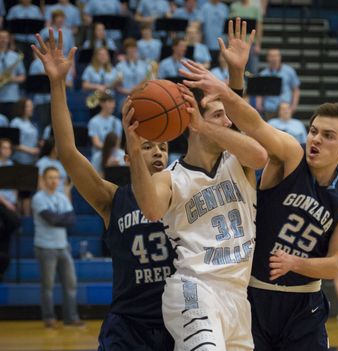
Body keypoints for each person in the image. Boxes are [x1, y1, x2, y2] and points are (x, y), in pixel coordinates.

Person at [180, 22, 338, 349]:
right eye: (313, 131)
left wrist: (297, 263)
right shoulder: (291, 156)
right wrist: (232, 81)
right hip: (255, 296)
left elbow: (335, 265)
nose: (316, 140)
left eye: (328, 136)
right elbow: (252, 124)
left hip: (305, 305)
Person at [123, 18, 268, 350]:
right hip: (194, 289)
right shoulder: (170, 177)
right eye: (217, 115)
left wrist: (234, 77)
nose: (228, 122)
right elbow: (150, 207)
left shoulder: (238, 163)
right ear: (191, 120)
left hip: (238, 298)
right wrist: (133, 145)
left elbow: (260, 154)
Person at [32, 27, 176, 350]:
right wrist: (57, 84)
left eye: (163, 148)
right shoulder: (113, 198)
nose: (157, 152)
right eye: (147, 145)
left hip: (176, 322)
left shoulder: (181, 194)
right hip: (126, 325)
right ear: (127, 156)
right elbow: (67, 152)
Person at [31, 166, 82, 328]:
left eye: (57, 178)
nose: (54, 181)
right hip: (45, 247)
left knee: (71, 284)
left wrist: (60, 219)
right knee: (48, 286)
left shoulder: (62, 197)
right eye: (51, 177)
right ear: (44, 180)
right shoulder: (38, 198)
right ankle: (48, 317)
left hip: (63, 246)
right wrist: (62, 218)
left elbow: (72, 220)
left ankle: (71, 318)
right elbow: (51, 219)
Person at [256, 48, 301, 119]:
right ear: (267, 58)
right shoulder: (263, 74)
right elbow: (260, 92)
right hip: (269, 108)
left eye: (276, 56)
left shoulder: (289, 71)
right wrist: (258, 104)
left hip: (285, 107)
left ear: (280, 57)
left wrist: (294, 106)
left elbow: (296, 89)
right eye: (272, 56)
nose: (274, 58)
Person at [0, 138, 21, 282]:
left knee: (13, 222)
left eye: (9, 148)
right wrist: (7, 203)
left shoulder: (13, 165)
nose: (7, 150)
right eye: (4, 148)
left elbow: (15, 187)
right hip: (1, 203)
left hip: (9, 203)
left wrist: (13, 201)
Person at [0, 29, 26, 120]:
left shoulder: (15, 56)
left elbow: (22, 77)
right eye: (1, 37)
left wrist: (12, 79)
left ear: (9, 39)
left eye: (5, 38)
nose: (3, 40)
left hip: (12, 97)